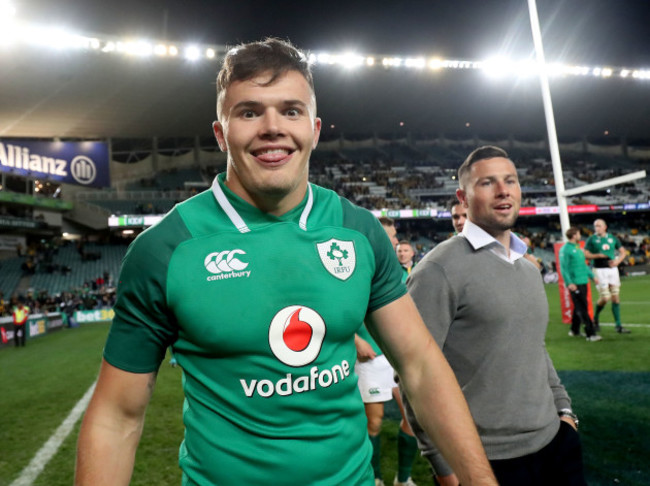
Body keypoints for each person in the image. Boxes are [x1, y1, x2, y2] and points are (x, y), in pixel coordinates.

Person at [75, 38, 497, 486]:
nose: (272, 127)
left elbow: (420, 365)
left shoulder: (358, 231)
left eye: (291, 110)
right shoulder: (166, 249)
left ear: (314, 130)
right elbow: (117, 417)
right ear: (221, 134)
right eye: (249, 112)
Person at [402, 146, 587, 486]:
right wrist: (444, 466)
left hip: (555, 442)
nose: (503, 191)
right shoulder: (438, 270)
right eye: (488, 183)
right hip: (486, 461)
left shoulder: (528, 267)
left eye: (510, 181)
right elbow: (414, 374)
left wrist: (565, 412)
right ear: (464, 197)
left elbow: (534, 347)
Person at [355, 217, 419, 486]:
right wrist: (357, 340)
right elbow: (336, 312)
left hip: (397, 355)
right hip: (370, 355)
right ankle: (376, 478)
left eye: (395, 236)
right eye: (390, 235)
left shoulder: (398, 270)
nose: (394, 242)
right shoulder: (353, 265)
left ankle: (402, 479)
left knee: (414, 418)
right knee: (374, 423)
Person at [584, 219, 630, 334]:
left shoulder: (613, 238)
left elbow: (623, 252)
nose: (596, 228)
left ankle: (618, 325)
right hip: (599, 270)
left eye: (599, 226)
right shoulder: (591, 239)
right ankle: (595, 318)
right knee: (605, 297)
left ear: (605, 227)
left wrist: (618, 261)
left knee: (615, 297)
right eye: (595, 226)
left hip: (612, 270)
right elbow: (585, 254)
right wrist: (597, 255)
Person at [559, 227, 601, 341]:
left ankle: (574, 330)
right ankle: (590, 334)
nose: (580, 236)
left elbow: (583, 265)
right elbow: (564, 268)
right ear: (573, 236)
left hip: (583, 281)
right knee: (582, 308)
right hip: (575, 283)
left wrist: (592, 276)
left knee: (579, 306)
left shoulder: (578, 248)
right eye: (578, 234)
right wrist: (569, 283)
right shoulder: (565, 250)